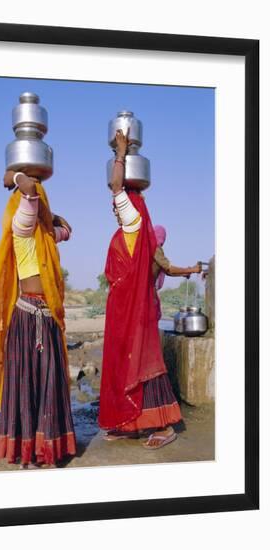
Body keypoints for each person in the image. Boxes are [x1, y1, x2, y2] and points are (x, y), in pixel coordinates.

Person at [0, 170, 76, 467]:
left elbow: (66, 230)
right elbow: (28, 190)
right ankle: (27, 450)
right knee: (27, 385)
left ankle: (48, 448)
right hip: (27, 317)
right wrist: (14, 176)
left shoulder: (44, 236)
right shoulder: (22, 226)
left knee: (49, 384)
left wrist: (52, 217)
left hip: (47, 316)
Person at [98, 129, 199, 449]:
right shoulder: (129, 230)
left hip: (136, 312)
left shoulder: (134, 221)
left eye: (120, 205)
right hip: (123, 311)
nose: (115, 208)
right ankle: (132, 423)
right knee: (127, 363)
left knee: (145, 363)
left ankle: (166, 424)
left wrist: (121, 151)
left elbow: (116, 186)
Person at [152, 225, 201, 321]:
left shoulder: (151, 249)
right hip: (147, 294)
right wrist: (192, 270)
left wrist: (184, 272)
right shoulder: (154, 248)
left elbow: (167, 270)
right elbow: (169, 269)